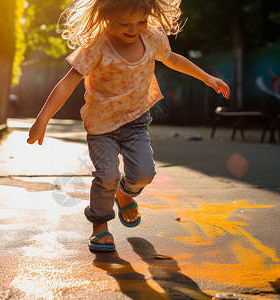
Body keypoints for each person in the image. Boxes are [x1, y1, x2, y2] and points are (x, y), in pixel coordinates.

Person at [27, 0, 230, 252]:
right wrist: (42, 119)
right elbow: (68, 83)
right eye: (125, 24)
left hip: (136, 120)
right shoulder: (96, 45)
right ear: (106, 17)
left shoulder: (152, 38)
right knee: (107, 176)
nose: (134, 29)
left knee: (144, 174)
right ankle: (100, 227)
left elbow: (173, 60)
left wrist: (208, 78)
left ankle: (124, 194)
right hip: (101, 126)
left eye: (141, 22)